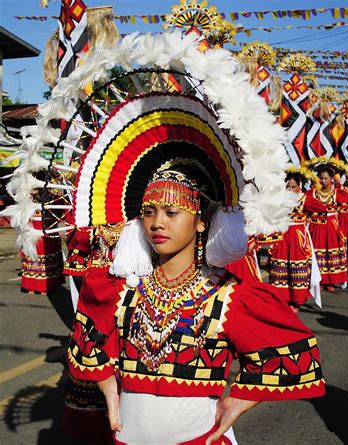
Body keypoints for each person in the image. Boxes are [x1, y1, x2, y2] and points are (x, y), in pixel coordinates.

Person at [35, 30, 327, 445]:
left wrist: (237, 401)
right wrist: (108, 390)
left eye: (173, 213)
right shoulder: (123, 289)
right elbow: (88, 340)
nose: (158, 223)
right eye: (150, 212)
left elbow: (293, 351)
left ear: (202, 221)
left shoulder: (226, 296)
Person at [268, 170, 321, 310]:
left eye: (293, 187)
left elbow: (322, 209)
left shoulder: (304, 199)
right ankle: (282, 298)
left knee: (297, 268)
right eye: (288, 187)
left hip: (298, 237)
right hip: (282, 235)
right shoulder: (279, 199)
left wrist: (307, 218)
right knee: (281, 267)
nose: (290, 190)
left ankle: (296, 300)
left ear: (300, 186)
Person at [304, 163, 348, 292]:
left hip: (331, 228)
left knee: (330, 253)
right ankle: (320, 281)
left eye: (326, 178)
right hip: (315, 227)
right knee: (318, 254)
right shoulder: (311, 193)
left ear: (331, 179)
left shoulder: (337, 193)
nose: (323, 181)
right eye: (321, 178)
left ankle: (331, 281)